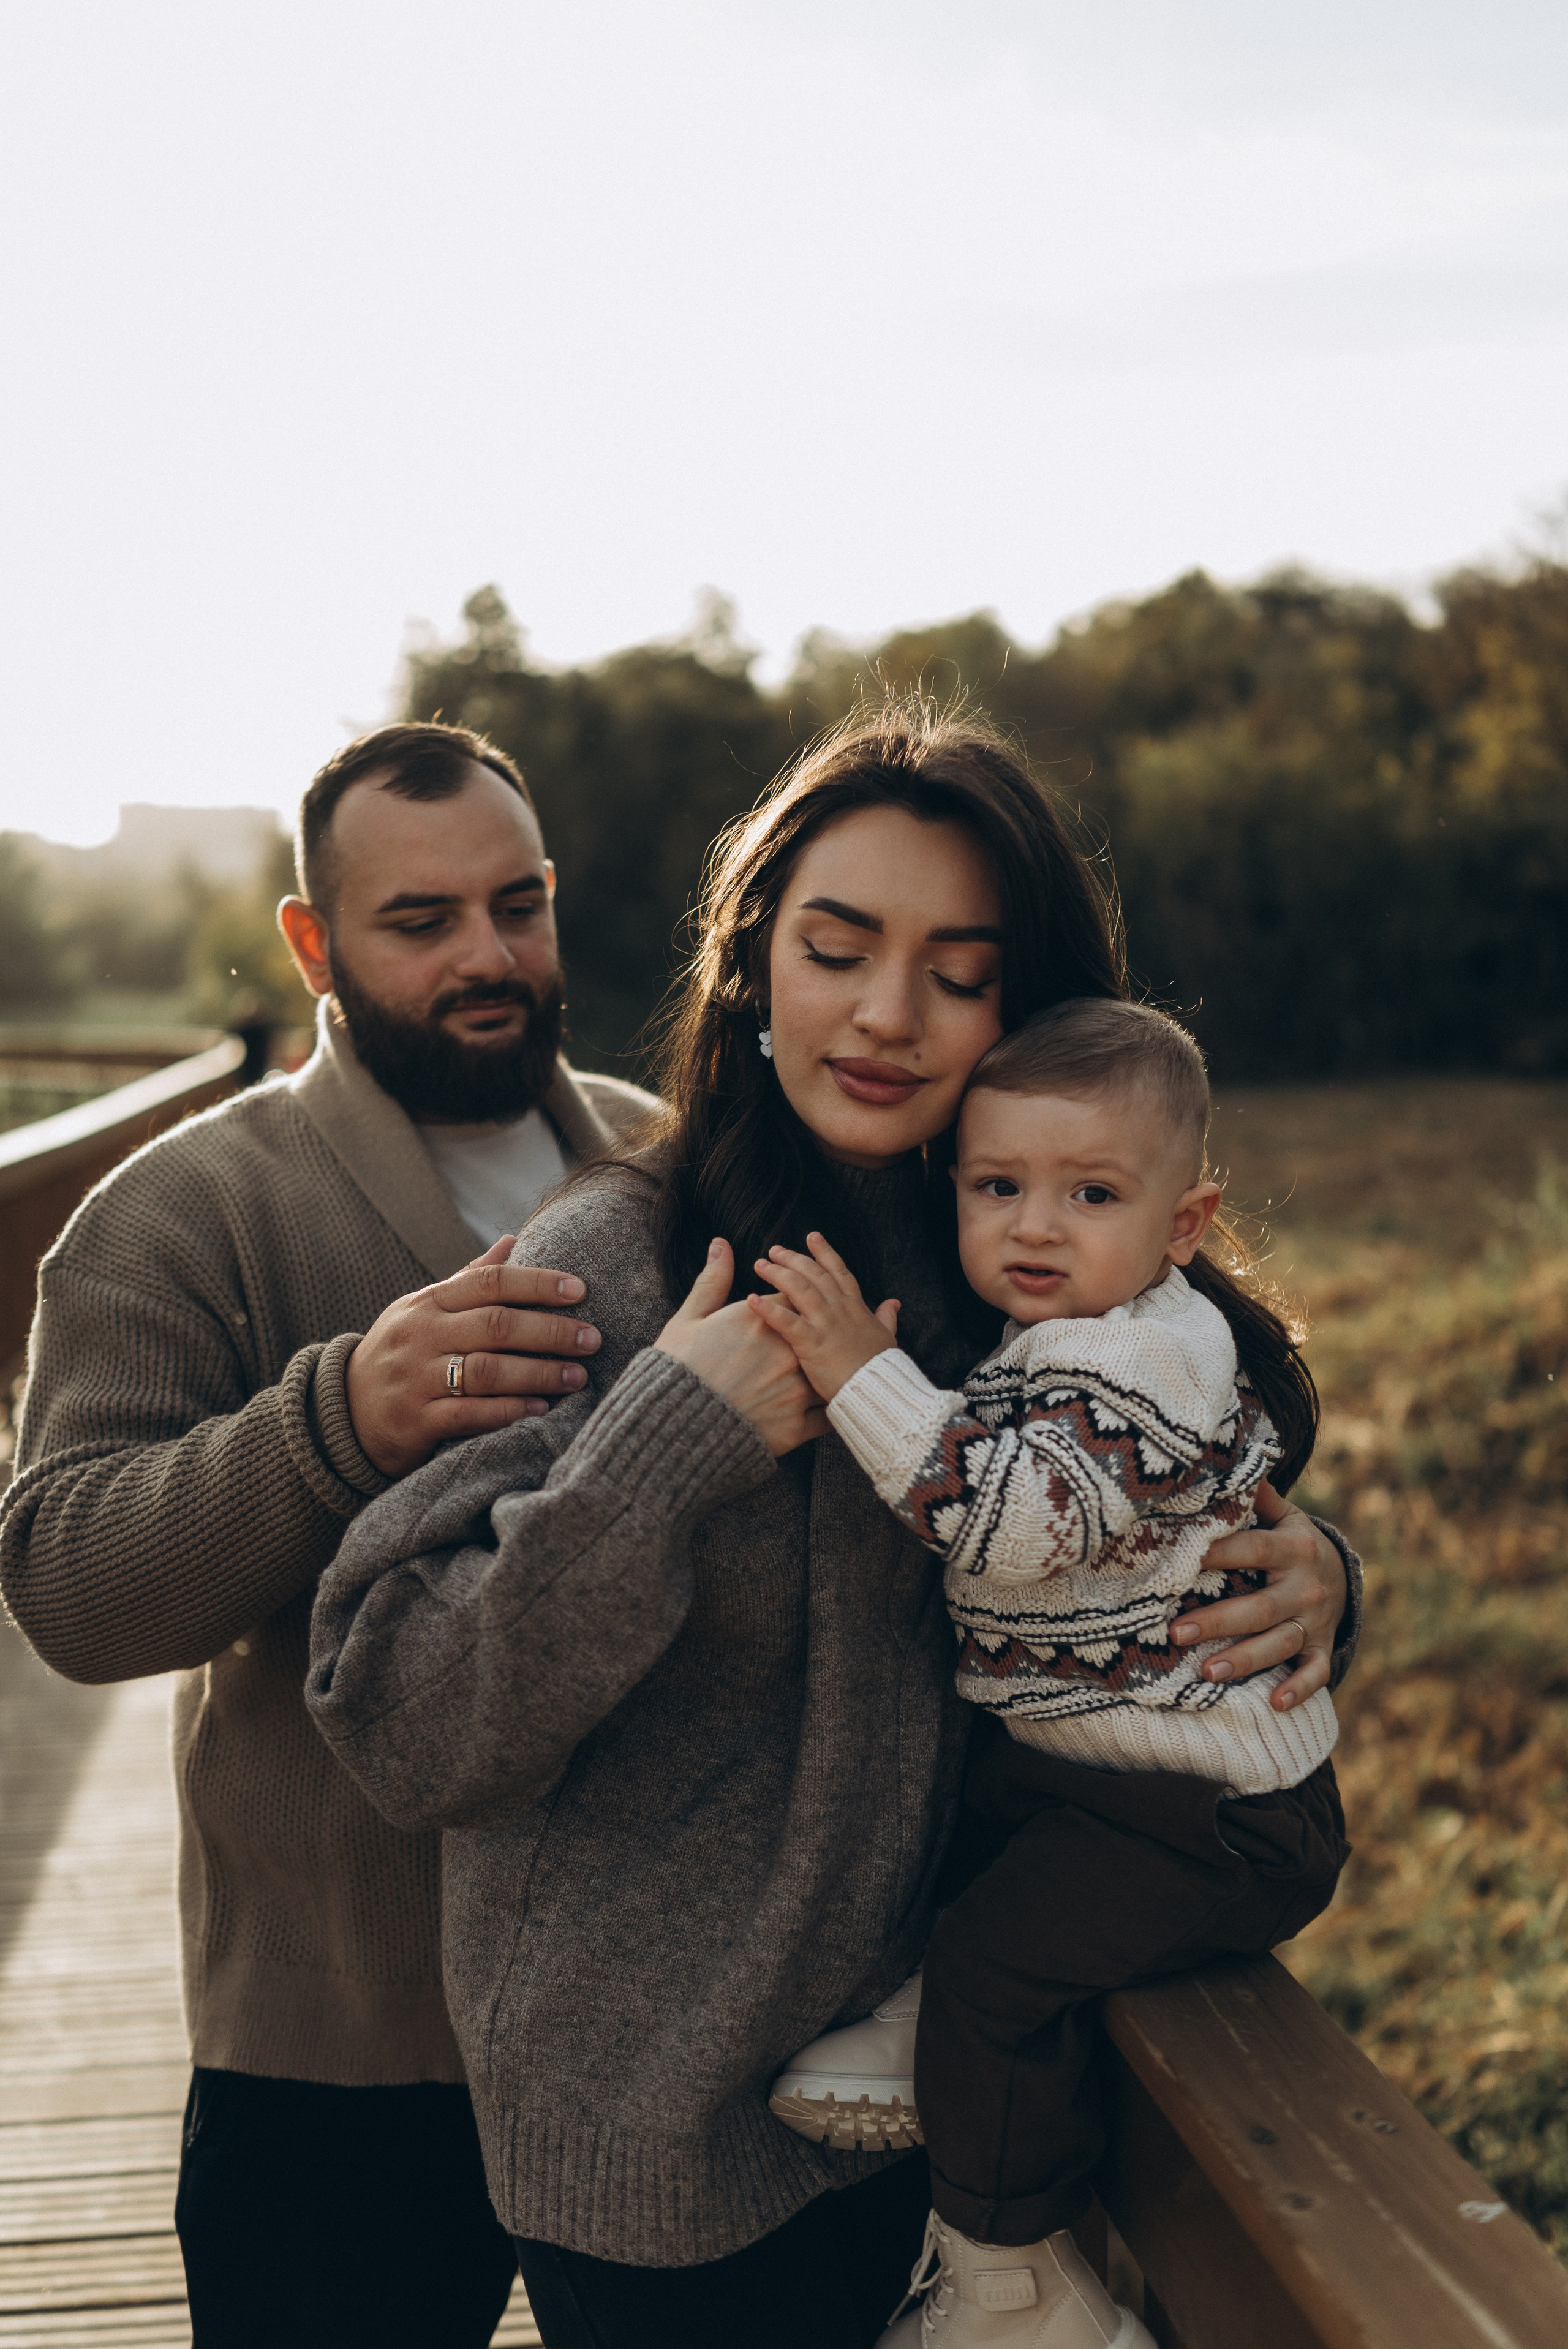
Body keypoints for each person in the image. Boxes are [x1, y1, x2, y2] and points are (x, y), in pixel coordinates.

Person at [306, 698, 1359, 2349]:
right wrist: (662, 1447)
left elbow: (1168, 1490)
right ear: (751, 965)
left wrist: (1317, 1576)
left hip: (948, 2112)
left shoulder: (1044, 1281)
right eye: (838, 947)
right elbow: (405, 1715)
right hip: (660, 2153)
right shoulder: (614, 1265)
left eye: (962, 970)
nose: (889, 1015)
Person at [0, 722, 654, 2349]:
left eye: (520, 903)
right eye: (419, 922)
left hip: (662, 2040)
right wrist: (337, 1421)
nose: (489, 956)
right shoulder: (180, 1209)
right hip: (339, 2056)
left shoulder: (671, 1156)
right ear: (313, 943)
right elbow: (68, 1582)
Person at [757, 998, 1348, 2347]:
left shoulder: (1133, 1359)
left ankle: (1015, 2281)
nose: (1032, 1226)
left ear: (1181, 1225)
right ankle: (932, 2030)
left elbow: (1006, 1520)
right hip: (1110, 1781)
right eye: (996, 1186)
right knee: (977, 1858)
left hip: (1212, 1821)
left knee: (993, 1964)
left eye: (1088, 1192)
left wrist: (861, 1370)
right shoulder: (1082, 1331)